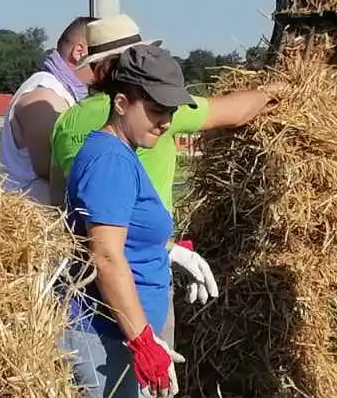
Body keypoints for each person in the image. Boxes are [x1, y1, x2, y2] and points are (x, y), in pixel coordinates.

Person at [49, 19, 279, 340]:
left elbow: (63, 206)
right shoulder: (149, 109)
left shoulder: (67, 122)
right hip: (135, 276)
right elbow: (236, 112)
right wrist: (269, 92)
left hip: (90, 284)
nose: (164, 122)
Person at [62, 44, 194, 398]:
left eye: (171, 112)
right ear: (122, 103)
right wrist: (142, 340)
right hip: (105, 335)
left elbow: (125, 237)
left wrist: (167, 250)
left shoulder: (122, 155)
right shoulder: (110, 160)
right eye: (155, 110)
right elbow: (106, 257)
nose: (165, 122)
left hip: (120, 335)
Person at [0, 16, 95, 203]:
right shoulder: (45, 95)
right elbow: (50, 168)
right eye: (103, 58)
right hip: (28, 221)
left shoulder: (61, 91)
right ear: (79, 51)